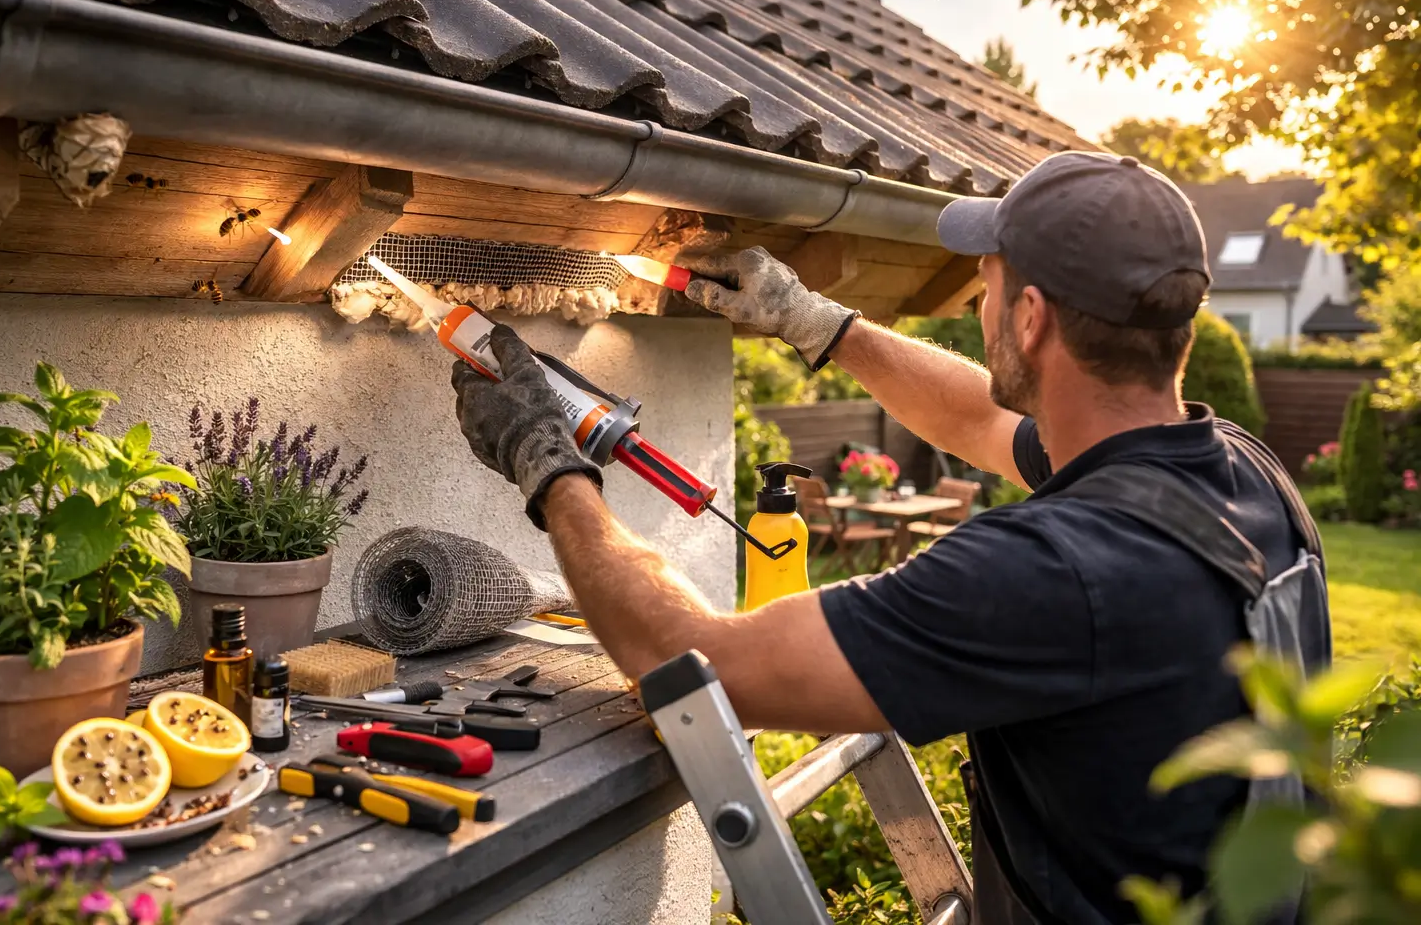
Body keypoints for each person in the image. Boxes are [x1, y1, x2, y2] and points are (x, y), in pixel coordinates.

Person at [449, 151, 1331, 924]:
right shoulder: (1241, 478)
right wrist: (813, 322)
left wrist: (550, 465)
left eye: (988, 285)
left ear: (1029, 318)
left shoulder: (1055, 573)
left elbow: (690, 666)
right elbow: (985, 422)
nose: (982, 309)